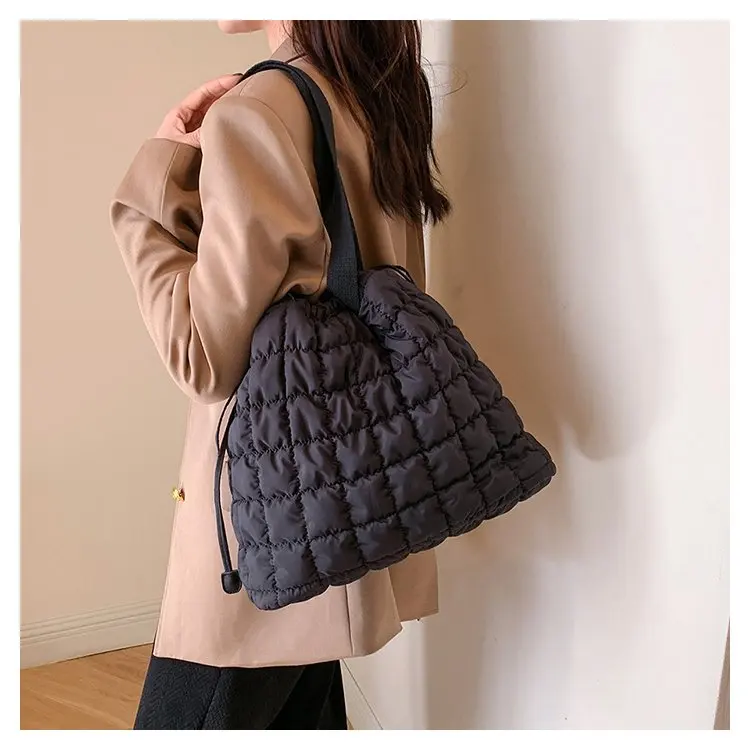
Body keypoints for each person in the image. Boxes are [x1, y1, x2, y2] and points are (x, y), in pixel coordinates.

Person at [111, 20, 451, 730]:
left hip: (269, 514)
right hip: (345, 491)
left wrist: (147, 200)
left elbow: (202, 356)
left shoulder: (258, 110)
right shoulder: (378, 90)